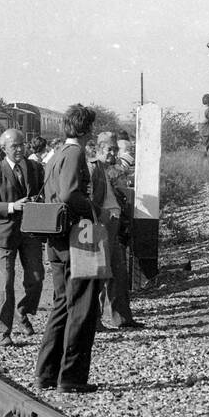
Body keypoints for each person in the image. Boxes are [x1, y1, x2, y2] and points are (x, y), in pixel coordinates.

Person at [34, 104, 104, 394]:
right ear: (87, 129)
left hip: (57, 236)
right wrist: (92, 209)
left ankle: (46, 373)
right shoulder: (76, 153)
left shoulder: (58, 153)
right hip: (80, 233)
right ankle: (72, 377)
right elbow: (68, 193)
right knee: (84, 304)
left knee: (62, 303)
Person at [0, 128, 45, 346]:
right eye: (13, 146)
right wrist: (11, 206)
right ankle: (3, 331)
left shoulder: (35, 168)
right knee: (5, 282)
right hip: (5, 233)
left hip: (30, 232)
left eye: (21, 145)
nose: (19, 150)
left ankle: (22, 311)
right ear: (3, 149)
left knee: (36, 278)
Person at [92, 133, 143, 330]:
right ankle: (95, 320)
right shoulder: (94, 168)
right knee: (99, 274)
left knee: (119, 273)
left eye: (115, 149)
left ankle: (122, 317)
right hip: (100, 226)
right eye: (109, 150)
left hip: (113, 225)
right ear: (99, 149)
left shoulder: (108, 169)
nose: (113, 153)